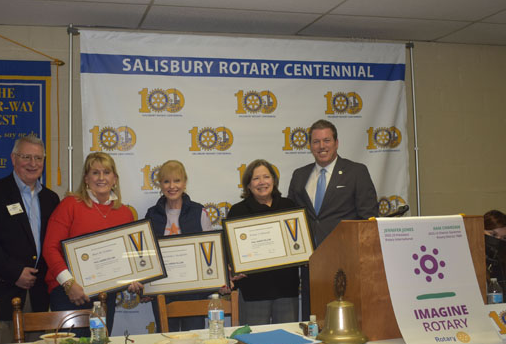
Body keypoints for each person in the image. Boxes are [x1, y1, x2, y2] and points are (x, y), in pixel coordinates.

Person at [0, 134, 60, 343]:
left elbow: (54, 245)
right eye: (26, 157)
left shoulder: (51, 199)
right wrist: (14, 272)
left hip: (37, 300)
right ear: (13, 158)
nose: (33, 163)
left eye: (38, 158)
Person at [42, 152, 142, 336]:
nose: (101, 177)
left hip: (105, 296)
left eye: (106, 172)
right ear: (86, 179)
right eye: (95, 173)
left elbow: (126, 257)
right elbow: (50, 248)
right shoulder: (70, 205)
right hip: (69, 294)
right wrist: (69, 284)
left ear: (115, 179)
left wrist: (132, 277)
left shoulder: (125, 213)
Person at [288, 119, 378, 318]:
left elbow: (369, 219)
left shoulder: (356, 172)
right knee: (314, 319)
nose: (321, 146)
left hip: (347, 262)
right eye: (316, 141)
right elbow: (291, 220)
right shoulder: (299, 175)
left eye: (327, 140)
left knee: (348, 319)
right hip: (311, 265)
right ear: (310, 146)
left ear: (336, 143)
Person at [227, 159, 300, 325]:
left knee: (287, 338)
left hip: (286, 288)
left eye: (266, 177)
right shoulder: (238, 211)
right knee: (253, 338)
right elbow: (229, 250)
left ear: (274, 180)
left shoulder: (289, 206)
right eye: (256, 178)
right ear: (248, 185)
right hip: (253, 290)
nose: (262, 182)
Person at [145, 160, 213, 332]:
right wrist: (145, 285)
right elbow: (146, 254)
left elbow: (210, 251)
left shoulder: (199, 212)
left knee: (195, 338)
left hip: (194, 292)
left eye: (177, 180)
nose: (172, 186)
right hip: (162, 292)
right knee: (166, 340)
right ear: (160, 184)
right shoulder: (151, 215)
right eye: (166, 181)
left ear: (184, 183)